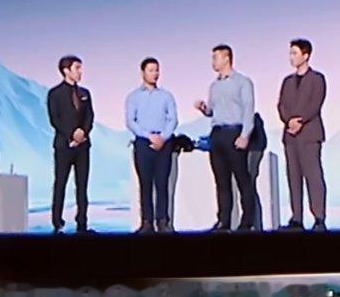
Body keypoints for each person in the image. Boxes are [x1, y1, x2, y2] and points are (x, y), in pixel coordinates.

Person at [195, 44, 261, 232]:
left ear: (226, 58)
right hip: (217, 134)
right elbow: (212, 111)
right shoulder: (214, 86)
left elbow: (248, 109)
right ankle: (223, 221)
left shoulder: (242, 82)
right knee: (221, 181)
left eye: (215, 57)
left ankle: (247, 222)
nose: (213, 62)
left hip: (235, 132)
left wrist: (245, 135)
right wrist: (204, 109)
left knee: (242, 179)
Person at [275, 38, 328, 231]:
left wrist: (301, 120)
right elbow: (281, 105)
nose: (291, 57)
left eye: (295, 53)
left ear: (306, 55)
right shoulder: (287, 81)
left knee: (313, 176)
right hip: (290, 136)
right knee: (293, 176)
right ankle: (296, 217)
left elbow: (316, 103)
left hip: (310, 135)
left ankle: (319, 217)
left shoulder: (317, 79)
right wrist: (288, 121)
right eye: (290, 53)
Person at [125, 58, 179, 233]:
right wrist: (149, 136)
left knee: (162, 183)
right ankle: (146, 222)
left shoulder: (166, 96)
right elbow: (130, 121)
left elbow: (173, 119)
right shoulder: (133, 97)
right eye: (151, 70)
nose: (155, 74)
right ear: (143, 73)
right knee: (145, 184)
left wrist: (163, 137)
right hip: (143, 142)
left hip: (164, 143)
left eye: (157, 70)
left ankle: (162, 221)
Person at [45, 55, 94, 233]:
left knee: (82, 185)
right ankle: (57, 221)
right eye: (77, 68)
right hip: (64, 146)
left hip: (83, 146)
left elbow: (90, 116)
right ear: (66, 71)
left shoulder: (84, 93)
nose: (80, 72)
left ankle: (82, 221)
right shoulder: (55, 93)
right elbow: (55, 119)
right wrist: (72, 134)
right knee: (60, 183)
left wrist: (83, 132)